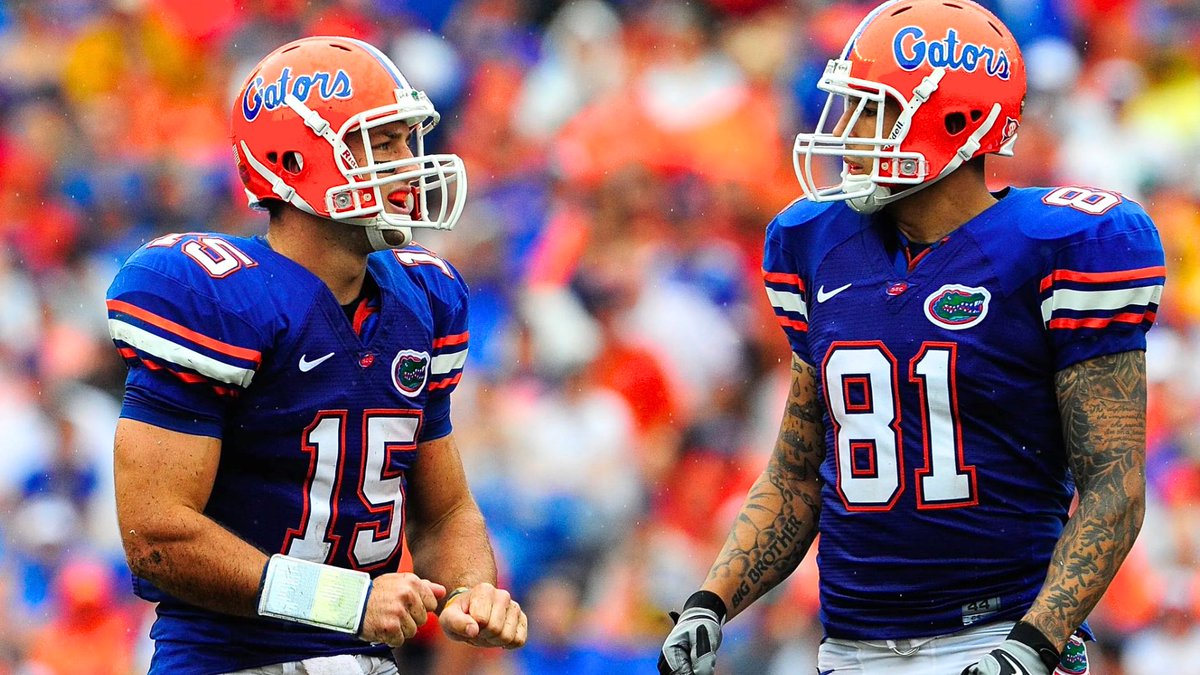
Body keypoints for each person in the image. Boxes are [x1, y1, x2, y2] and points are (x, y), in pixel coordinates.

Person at [658, 1, 1165, 674]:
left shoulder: (1064, 246)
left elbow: (1114, 484)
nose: (845, 132)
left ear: (955, 118)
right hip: (849, 645)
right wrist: (709, 602)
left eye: (871, 109)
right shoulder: (816, 244)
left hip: (1001, 635)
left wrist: (1032, 644)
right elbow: (798, 471)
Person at [105, 36, 527, 674]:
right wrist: (340, 600)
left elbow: (444, 512)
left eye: (408, 141)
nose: (409, 163)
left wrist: (471, 591)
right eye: (381, 143)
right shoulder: (214, 297)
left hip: (365, 662)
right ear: (294, 158)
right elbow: (156, 536)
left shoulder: (422, 298)